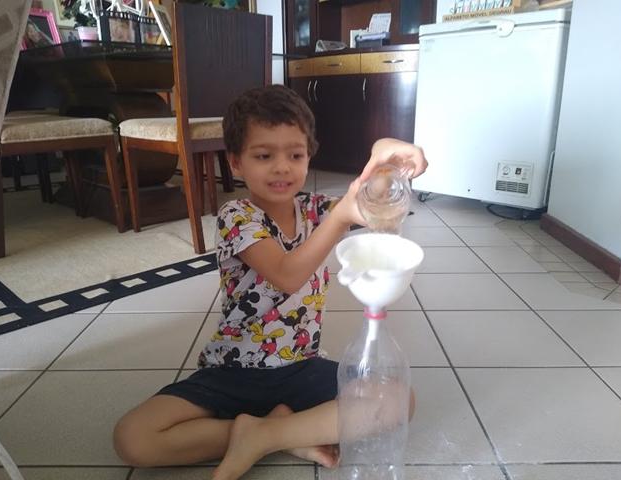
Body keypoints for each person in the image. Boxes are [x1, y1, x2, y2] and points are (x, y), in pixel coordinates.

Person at [113, 85, 427, 480]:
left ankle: (268, 434)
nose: (282, 168)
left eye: (295, 155)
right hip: (234, 368)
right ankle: (286, 433)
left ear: (309, 156)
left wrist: (383, 156)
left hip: (300, 366)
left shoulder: (315, 209)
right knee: (133, 438)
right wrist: (340, 217)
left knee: (399, 400)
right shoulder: (236, 216)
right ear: (236, 162)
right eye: (264, 156)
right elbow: (287, 274)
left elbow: (375, 199)